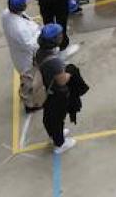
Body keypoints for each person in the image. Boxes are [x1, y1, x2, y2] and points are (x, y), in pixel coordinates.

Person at [34, 23, 82, 153]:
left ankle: (54, 136)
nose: (62, 36)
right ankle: (60, 144)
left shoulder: (40, 52)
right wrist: (70, 71)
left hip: (47, 91)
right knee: (57, 118)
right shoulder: (54, 62)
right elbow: (62, 81)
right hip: (56, 93)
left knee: (49, 116)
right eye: (59, 35)